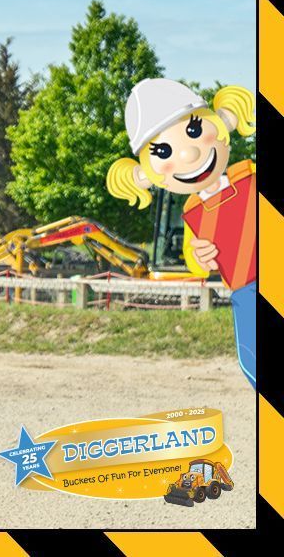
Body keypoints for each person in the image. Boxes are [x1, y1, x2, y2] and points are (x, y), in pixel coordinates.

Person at [106, 79, 256, 388]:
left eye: (194, 130)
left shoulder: (249, 176)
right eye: (162, 151)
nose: (189, 155)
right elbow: (195, 259)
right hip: (244, 291)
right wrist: (201, 257)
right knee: (250, 359)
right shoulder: (193, 214)